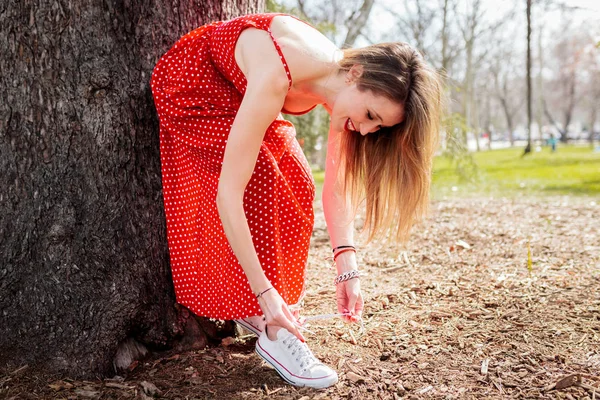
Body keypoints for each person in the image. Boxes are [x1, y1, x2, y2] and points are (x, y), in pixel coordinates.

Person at [150, 13, 443, 389]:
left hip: (238, 92)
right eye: (371, 115)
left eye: (379, 126)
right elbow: (229, 195)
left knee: (298, 179)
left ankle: (271, 309)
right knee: (263, 175)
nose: (368, 130)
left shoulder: (339, 89)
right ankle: (269, 321)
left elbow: (335, 189)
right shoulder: (279, 74)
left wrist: (347, 270)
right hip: (193, 86)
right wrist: (265, 294)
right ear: (356, 73)